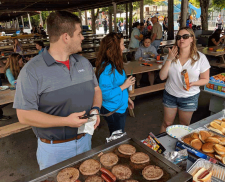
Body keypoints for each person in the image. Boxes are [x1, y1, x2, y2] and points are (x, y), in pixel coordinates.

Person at [13, 11, 102, 170]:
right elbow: (24, 115)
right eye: (80, 33)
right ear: (66, 37)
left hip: (85, 140)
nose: (83, 37)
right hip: (54, 150)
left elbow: (96, 90)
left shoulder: (83, 63)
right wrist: (66, 121)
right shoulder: (31, 71)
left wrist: (95, 109)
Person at [159, 27, 210, 133]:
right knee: (167, 123)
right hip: (170, 94)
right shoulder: (171, 56)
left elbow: (205, 79)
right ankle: (159, 148)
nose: (181, 39)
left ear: (192, 39)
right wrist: (169, 59)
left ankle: (179, 148)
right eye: (178, 37)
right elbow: (162, 77)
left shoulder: (200, 58)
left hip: (189, 97)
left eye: (185, 37)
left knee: (184, 126)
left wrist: (193, 83)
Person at [95, 32, 135, 135]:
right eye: (122, 44)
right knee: (116, 138)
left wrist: (127, 98)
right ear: (114, 48)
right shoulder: (107, 69)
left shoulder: (116, 63)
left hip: (120, 107)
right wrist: (124, 86)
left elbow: (118, 85)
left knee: (118, 134)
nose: (123, 47)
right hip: (113, 110)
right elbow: (104, 94)